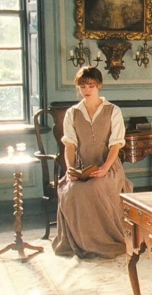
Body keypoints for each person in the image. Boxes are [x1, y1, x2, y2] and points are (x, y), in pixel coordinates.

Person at [52, 66, 133, 259]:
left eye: (91, 85)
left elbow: (115, 146)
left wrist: (105, 168)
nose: (87, 90)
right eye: (82, 86)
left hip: (109, 166)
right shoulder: (73, 113)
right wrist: (71, 168)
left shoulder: (113, 111)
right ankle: (81, 242)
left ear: (99, 86)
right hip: (81, 166)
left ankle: (102, 241)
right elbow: (69, 145)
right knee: (72, 189)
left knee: (95, 187)